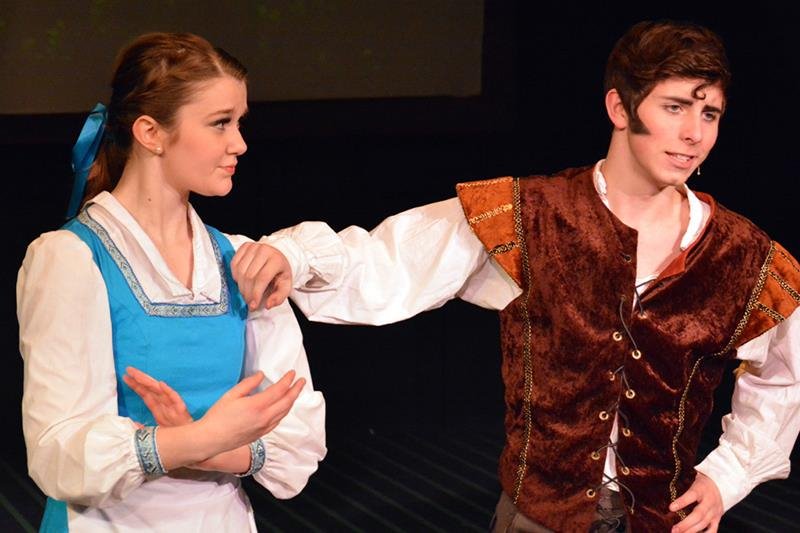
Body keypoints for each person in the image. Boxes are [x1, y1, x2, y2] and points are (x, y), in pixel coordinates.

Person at [231, 20, 800, 532]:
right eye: (674, 108)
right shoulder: (529, 216)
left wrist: (728, 475)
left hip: (663, 522)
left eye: (709, 114)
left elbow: (782, 376)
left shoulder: (745, 256)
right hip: (538, 518)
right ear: (620, 108)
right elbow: (390, 261)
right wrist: (295, 256)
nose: (694, 134)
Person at [16, 32, 326, 532]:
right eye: (220, 123)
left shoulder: (241, 260)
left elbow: (296, 439)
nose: (240, 143)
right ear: (150, 132)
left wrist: (201, 446)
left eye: (240, 122)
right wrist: (200, 439)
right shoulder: (72, 259)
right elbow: (58, 453)